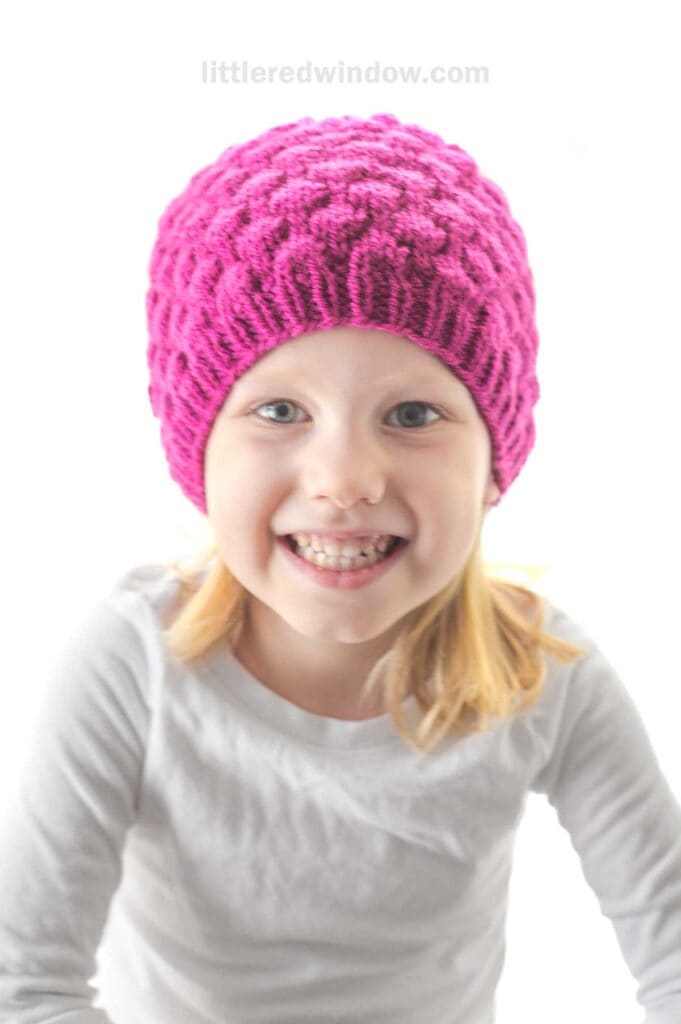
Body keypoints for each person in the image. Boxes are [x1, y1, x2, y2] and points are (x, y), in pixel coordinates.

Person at [0, 112, 679, 1024]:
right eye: (279, 411)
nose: (345, 482)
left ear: (493, 457)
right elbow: (28, 985)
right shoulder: (135, 662)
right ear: (198, 451)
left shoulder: (540, 668)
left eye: (411, 416)